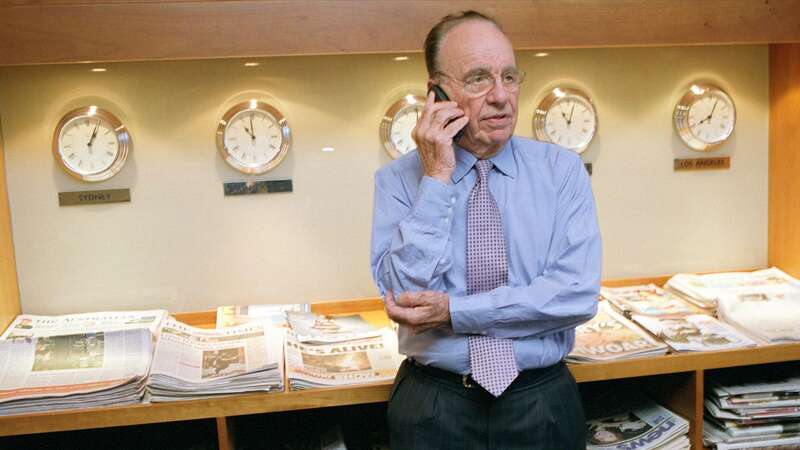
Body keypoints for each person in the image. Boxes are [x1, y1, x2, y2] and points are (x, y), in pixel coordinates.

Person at [370, 10, 602, 450]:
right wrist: (436, 177)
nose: (501, 97)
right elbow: (405, 298)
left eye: (510, 77)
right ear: (436, 93)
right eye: (479, 78)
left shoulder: (562, 171)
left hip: (541, 402)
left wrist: (456, 312)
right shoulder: (400, 182)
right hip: (435, 407)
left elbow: (575, 294)